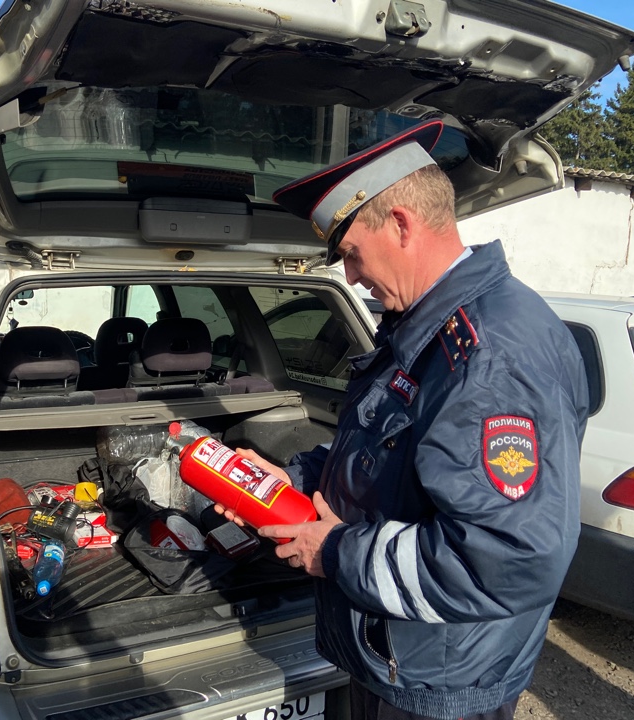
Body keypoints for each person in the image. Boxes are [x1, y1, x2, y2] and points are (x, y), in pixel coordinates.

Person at [225, 120, 589, 720]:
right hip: (407, 659)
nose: (350, 276)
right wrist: (288, 482)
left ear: (399, 224)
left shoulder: (486, 356)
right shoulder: (426, 329)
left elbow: (507, 557)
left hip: (439, 683)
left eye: (350, 254)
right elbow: (388, 460)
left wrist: (335, 552)